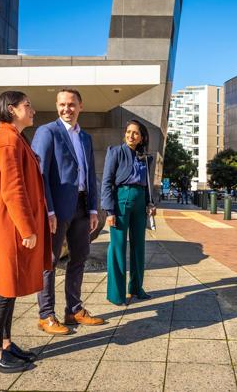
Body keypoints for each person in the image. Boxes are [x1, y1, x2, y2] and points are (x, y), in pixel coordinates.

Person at [0, 90, 52, 373]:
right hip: (10, 225)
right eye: (27, 105)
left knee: (10, 287)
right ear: (11, 109)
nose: (32, 110)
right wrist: (27, 226)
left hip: (12, 224)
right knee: (5, 287)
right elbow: (13, 188)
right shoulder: (7, 139)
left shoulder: (14, 138)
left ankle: (5, 343)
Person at [31, 88, 104, 335]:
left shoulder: (85, 138)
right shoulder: (47, 132)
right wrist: (48, 211)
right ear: (56, 106)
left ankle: (73, 309)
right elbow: (39, 175)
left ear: (80, 106)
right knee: (49, 260)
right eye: (62, 104)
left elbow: (89, 173)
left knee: (79, 257)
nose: (66, 109)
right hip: (57, 209)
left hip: (82, 206)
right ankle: (46, 315)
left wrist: (94, 208)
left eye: (71, 104)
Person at [101, 119, 156, 306]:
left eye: (135, 133)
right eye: (128, 132)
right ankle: (116, 295)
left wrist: (150, 202)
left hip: (140, 201)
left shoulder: (145, 157)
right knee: (117, 247)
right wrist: (109, 210)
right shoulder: (115, 152)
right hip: (121, 199)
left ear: (142, 138)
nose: (131, 135)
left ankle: (136, 288)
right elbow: (107, 181)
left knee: (139, 246)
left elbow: (147, 183)